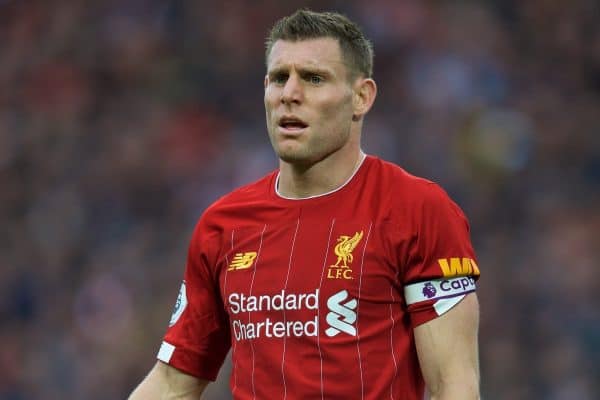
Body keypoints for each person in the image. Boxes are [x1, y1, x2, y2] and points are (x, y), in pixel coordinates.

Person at [129, 8, 480, 400]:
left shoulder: (417, 210)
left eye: (314, 78)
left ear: (361, 97)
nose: (289, 94)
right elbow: (173, 383)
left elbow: (454, 385)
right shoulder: (223, 226)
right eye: (279, 78)